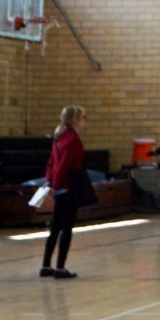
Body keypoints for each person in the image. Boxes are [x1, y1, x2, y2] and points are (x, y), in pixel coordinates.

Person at [41, 106, 96, 279]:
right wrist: (56, 186)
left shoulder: (59, 136)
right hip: (68, 186)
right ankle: (60, 268)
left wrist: (49, 183)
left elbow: (52, 163)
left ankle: (46, 265)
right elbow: (65, 164)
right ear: (75, 120)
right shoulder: (72, 139)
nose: (84, 120)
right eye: (82, 117)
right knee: (66, 228)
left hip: (59, 186)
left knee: (55, 227)